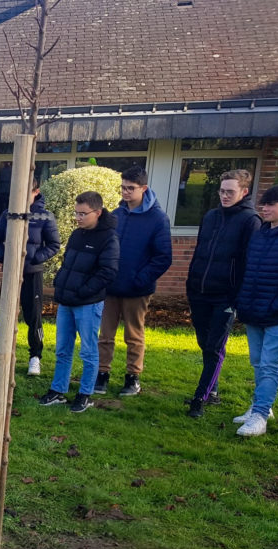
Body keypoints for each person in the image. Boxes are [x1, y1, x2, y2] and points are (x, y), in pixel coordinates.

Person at [184, 169, 261, 418]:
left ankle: (200, 398)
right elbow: (199, 251)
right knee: (205, 343)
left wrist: (238, 296)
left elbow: (250, 262)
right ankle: (212, 390)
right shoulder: (211, 216)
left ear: (244, 192)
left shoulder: (251, 221)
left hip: (225, 296)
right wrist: (191, 282)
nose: (224, 196)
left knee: (215, 346)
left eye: (230, 192)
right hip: (199, 291)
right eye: (221, 191)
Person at [39, 192, 119, 413]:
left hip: (88, 303)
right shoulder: (77, 235)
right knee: (63, 349)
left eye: (83, 214)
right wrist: (60, 282)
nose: (78, 217)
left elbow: (108, 272)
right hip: (66, 301)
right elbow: (68, 263)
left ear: (98, 212)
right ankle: (58, 390)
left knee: (88, 351)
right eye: (76, 213)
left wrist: (84, 292)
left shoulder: (109, 239)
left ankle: (85, 393)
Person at [95, 165, 172, 397]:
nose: (125, 192)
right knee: (105, 334)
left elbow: (163, 257)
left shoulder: (158, 219)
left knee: (134, 335)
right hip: (111, 286)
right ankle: (102, 373)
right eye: (123, 187)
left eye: (130, 188)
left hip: (137, 289)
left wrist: (141, 279)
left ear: (144, 188)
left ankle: (132, 377)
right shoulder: (116, 215)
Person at [0, 179, 61, 377]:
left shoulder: (44, 216)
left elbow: (54, 245)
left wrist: (35, 258)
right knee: (6, 314)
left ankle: (35, 357)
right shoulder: (8, 214)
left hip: (32, 274)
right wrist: (5, 257)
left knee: (33, 316)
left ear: (35, 192)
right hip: (11, 273)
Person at [233, 185, 278, 437]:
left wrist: (276, 306)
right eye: (263, 204)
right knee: (257, 363)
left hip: (276, 316)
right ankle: (261, 406)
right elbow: (248, 271)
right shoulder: (261, 234)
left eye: (272, 204)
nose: (265, 208)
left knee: (269, 365)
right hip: (253, 311)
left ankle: (260, 416)